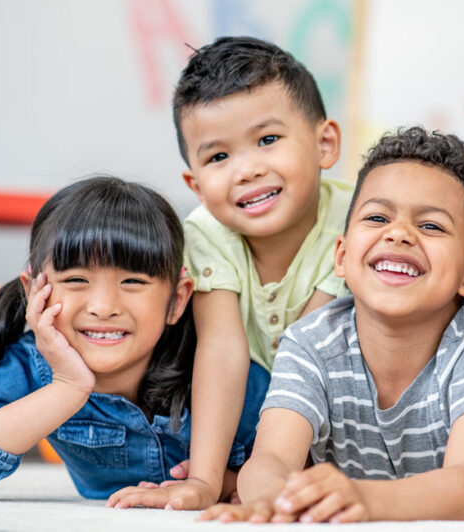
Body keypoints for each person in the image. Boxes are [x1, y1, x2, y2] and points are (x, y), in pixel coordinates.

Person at [199, 127, 464, 523]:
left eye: (431, 226)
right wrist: (276, 499)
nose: (398, 233)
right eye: (377, 217)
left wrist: (363, 499)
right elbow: (271, 457)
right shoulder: (311, 341)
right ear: (341, 256)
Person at [109, 37, 354, 510]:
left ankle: (259, 475)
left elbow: (312, 350)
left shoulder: (356, 217)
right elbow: (221, 350)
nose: (246, 170)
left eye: (267, 140)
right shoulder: (205, 232)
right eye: (219, 157)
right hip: (247, 409)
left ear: (325, 143)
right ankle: (228, 475)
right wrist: (202, 481)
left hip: (339, 399)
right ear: (196, 186)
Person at [0, 176, 260, 501]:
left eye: (132, 281)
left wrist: (228, 483)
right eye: (76, 279)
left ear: (176, 300)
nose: (104, 308)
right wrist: (68, 387)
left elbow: (301, 456)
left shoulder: (218, 370)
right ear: (35, 292)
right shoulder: (27, 367)